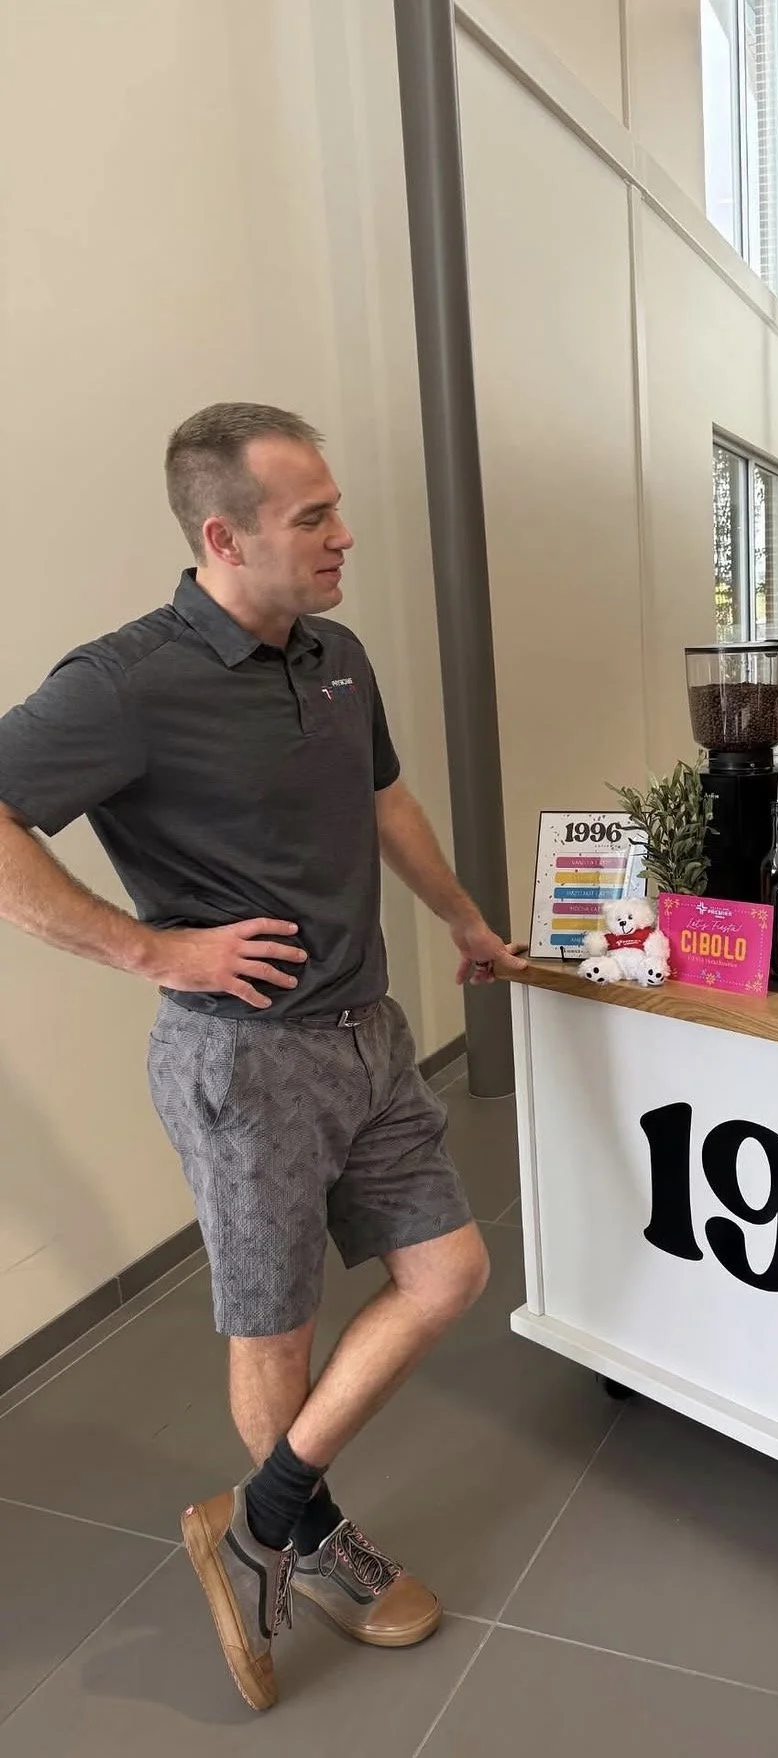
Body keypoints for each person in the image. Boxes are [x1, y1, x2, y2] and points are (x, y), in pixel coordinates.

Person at [0, 404, 528, 1712]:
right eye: (315, 519)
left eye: (336, 510)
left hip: (370, 1029)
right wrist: (149, 951)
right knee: (276, 1328)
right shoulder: (124, 682)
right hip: (244, 1062)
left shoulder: (334, 653)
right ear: (226, 536)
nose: (345, 536)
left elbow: (381, 792)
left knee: (451, 1267)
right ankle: (309, 1531)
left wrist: (459, 913)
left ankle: (255, 1517)